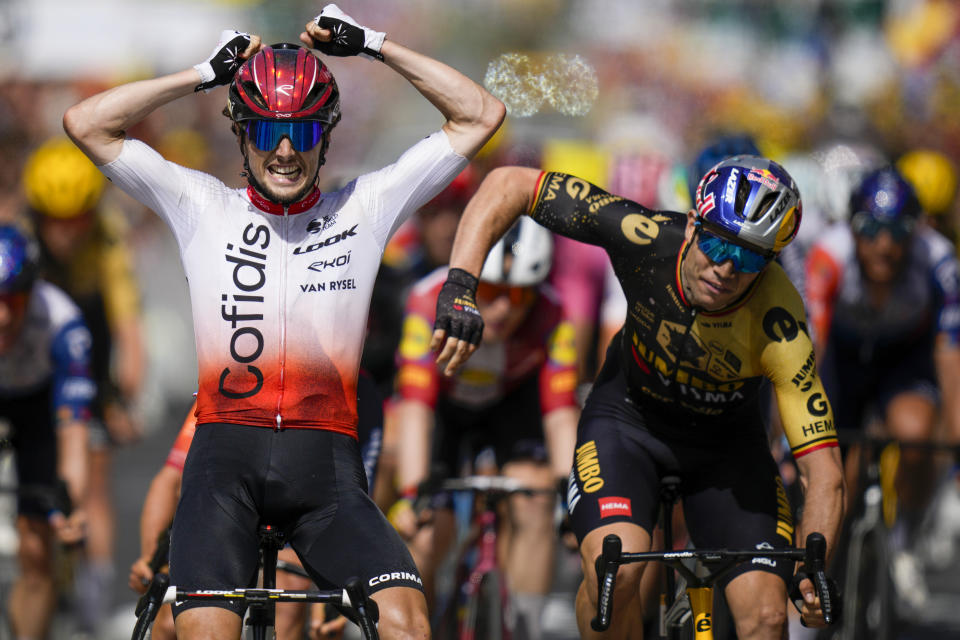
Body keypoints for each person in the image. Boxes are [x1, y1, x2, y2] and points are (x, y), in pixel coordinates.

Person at [63, 4, 504, 638]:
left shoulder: (367, 208)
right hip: (223, 473)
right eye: (269, 133)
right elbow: (86, 123)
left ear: (326, 136)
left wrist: (374, 44)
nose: (287, 151)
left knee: (409, 626)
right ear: (243, 136)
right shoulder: (199, 207)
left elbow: (480, 115)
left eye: (303, 131)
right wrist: (203, 73)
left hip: (326, 476)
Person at [431, 156, 844, 639]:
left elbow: (825, 471)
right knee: (616, 571)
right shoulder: (643, 236)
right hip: (627, 425)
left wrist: (813, 570)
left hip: (727, 450)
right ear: (692, 223)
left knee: (768, 616)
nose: (727, 268)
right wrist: (460, 284)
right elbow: (510, 182)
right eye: (715, 242)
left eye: (751, 257)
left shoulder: (783, 325)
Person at [390, 217, 578, 638]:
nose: (504, 309)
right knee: (424, 531)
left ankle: (524, 626)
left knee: (534, 498)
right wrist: (412, 493)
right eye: (491, 291)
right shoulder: (427, 303)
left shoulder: (553, 314)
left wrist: (569, 499)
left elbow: (561, 412)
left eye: (519, 296)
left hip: (511, 406)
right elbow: (416, 408)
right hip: (444, 410)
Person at [130, 370, 384, 640]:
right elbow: (169, 480)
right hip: (226, 514)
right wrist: (150, 558)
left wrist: (328, 590)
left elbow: (351, 502)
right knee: (171, 622)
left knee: (290, 594)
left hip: (299, 523)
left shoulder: (360, 394)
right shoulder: (234, 381)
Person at [22, 134, 146, 634]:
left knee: (94, 474)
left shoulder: (107, 242)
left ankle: (94, 587)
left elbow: (128, 325)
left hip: (90, 367)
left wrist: (123, 395)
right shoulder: (19, 239)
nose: (66, 233)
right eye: (55, 219)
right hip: (31, 369)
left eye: (76, 219)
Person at [805, 166, 960, 543]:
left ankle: (905, 538)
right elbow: (809, 350)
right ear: (851, 228)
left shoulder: (939, 260)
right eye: (870, 229)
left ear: (918, 230)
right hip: (841, 358)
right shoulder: (829, 254)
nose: (885, 245)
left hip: (902, 358)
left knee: (916, 435)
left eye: (899, 231)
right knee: (835, 474)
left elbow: (951, 356)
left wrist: (957, 448)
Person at [0, 224, 93, 640]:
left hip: (38, 407)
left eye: (13, 299)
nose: (3, 316)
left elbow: (73, 431)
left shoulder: (63, 322)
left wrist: (68, 501)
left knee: (38, 550)